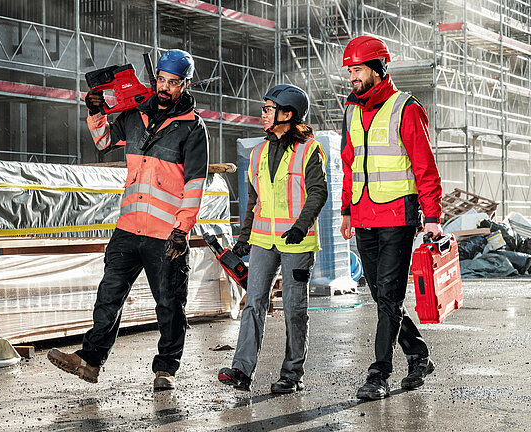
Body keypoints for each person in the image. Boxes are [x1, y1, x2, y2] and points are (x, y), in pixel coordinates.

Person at [47, 49, 209, 391]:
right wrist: (95, 113)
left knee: (169, 304)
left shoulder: (192, 128)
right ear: (155, 79)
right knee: (108, 297)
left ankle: (166, 369)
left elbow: (196, 184)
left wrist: (182, 230)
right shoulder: (136, 115)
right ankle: (90, 361)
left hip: (166, 233)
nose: (164, 87)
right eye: (161, 80)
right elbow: (104, 141)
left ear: (185, 84)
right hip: (128, 227)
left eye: (173, 83)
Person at [339, 35, 443, 400]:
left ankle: (378, 374)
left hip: (398, 216)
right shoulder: (351, 110)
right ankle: (418, 355)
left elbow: (424, 165)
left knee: (388, 297)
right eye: (349, 71)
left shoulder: (405, 107)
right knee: (382, 296)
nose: (353, 77)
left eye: (358, 70)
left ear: (378, 69)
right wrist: (347, 210)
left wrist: (432, 216)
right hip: (363, 214)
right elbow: (349, 163)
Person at [217, 84, 327, 393]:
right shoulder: (257, 153)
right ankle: (242, 370)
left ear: (287, 114)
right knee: (253, 302)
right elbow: (254, 200)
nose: (263, 114)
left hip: (297, 243)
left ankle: (291, 375)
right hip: (264, 241)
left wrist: (300, 226)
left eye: (269, 109)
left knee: (294, 309)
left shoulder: (309, 150)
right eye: (264, 109)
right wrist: (244, 238)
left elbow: (318, 192)